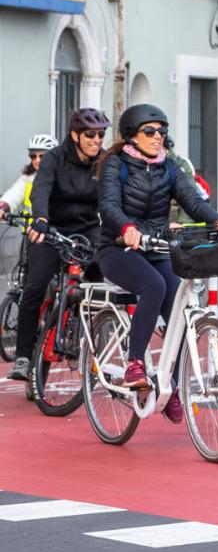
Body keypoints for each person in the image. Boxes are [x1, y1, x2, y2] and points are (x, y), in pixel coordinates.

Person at [97, 105, 218, 409]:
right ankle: (134, 364)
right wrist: (127, 227)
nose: (158, 137)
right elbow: (108, 205)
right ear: (132, 135)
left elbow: (192, 201)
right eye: (150, 131)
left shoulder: (168, 167)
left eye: (162, 131)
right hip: (117, 248)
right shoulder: (116, 164)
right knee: (153, 285)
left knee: (178, 303)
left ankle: (171, 384)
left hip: (156, 247)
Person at [6, 114, 106, 388]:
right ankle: (23, 356)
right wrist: (40, 218)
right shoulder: (54, 158)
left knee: (99, 284)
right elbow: (40, 190)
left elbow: (113, 196)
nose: (96, 140)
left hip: (88, 230)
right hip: (51, 229)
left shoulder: (105, 161)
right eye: (90, 134)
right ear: (75, 135)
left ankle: (97, 344)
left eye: (100, 135)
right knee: (34, 287)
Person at [0, 134, 55, 220]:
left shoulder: (63, 176)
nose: (37, 160)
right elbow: (14, 194)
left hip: (58, 227)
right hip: (31, 228)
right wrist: (2, 208)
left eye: (42, 156)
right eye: (33, 156)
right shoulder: (28, 178)